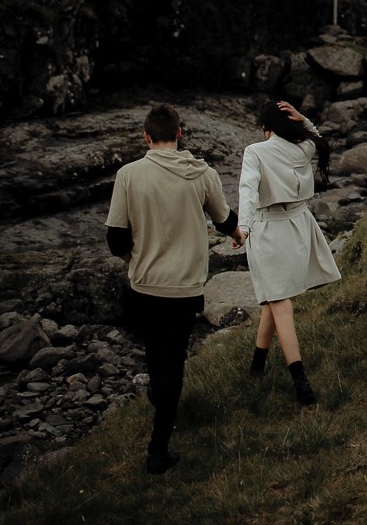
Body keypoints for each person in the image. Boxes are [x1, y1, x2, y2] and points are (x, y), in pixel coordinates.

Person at [105, 104, 239, 474]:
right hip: (184, 287)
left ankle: (158, 407)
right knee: (173, 360)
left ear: (147, 137)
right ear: (180, 133)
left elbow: (115, 240)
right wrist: (239, 234)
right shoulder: (202, 173)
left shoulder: (128, 175)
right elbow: (224, 219)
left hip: (144, 285)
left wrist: (137, 250)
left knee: (154, 353)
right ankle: (158, 449)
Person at [235, 99, 341, 405]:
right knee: (273, 298)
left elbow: (247, 188)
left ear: (266, 128)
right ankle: (257, 366)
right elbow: (320, 139)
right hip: (298, 226)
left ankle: (301, 384)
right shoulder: (305, 147)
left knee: (279, 303)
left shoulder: (256, 151)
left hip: (268, 230)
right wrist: (304, 119)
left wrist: (242, 228)